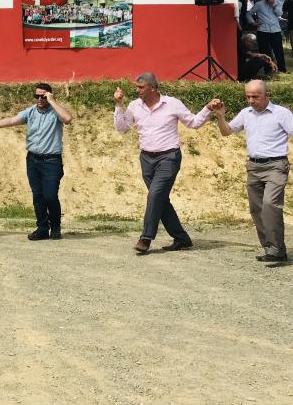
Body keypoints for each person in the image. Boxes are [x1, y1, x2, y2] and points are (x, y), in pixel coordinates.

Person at [114, 73, 215, 254]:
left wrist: (207, 108)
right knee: (160, 199)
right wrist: (119, 105)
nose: (137, 90)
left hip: (169, 157)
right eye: (136, 87)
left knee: (155, 195)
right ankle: (181, 238)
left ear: (153, 88)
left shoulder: (172, 103)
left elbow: (193, 122)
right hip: (146, 158)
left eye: (141, 87)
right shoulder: (134, 106)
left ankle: (146, 238)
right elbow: (121, 128)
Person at [212, 80, 292, 263]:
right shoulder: (245, 113)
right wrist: (220, 116)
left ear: (267, 95)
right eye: (248, 96)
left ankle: (277, 249)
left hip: (276, 165)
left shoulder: (282, 113)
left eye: (255, 96)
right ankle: (271, 249)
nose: (250, 100)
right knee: (257, 209)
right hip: (254, 166)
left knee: (270, 205)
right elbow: (226, 132)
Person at [0, 83, 73, 241]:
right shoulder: (31, 111)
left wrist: (52, 101)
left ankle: (55, 226)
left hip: (51, 161)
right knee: (38, 196)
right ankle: (42, 228)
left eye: (43, 96)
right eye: (37, 96)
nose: (39, 99)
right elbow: (12, 120)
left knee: (50, 196)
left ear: (49, 96)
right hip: (33, 160)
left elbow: (67, 119)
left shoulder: (55, 111)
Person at [249, 0, 286, 72]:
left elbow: (279, 13)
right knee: (264, 51)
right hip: (263, 30)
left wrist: (273, 5)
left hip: (275, 30)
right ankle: (267, 69)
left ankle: (282, 69)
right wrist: (253, 22)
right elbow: (249, 13)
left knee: (278, 50)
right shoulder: (259, 4)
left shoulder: (278, 3)